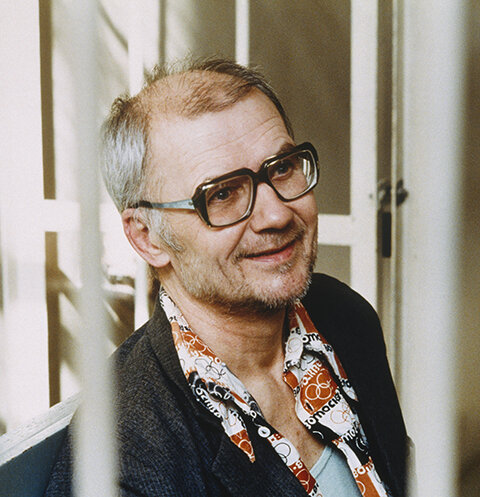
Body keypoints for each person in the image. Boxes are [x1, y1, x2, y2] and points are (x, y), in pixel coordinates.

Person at [45, 58, 409, 497]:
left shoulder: (346, 316)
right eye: (221, 194)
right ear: (146, 237)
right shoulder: (122, 457)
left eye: (282, 167)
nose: (276, 215)